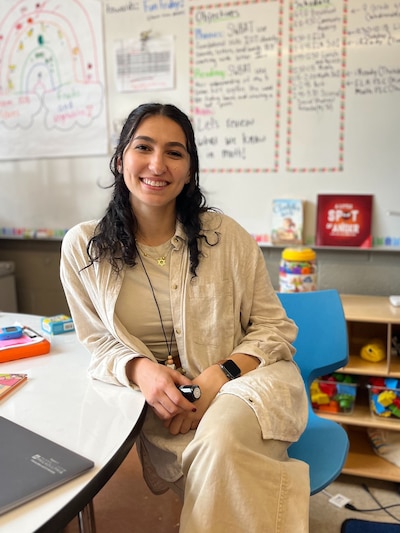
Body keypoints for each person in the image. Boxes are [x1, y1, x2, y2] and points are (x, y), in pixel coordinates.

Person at [60, 102, 310, 532]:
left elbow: (275, 329)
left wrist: (217, 376)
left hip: (246, 382)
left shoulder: (225, 236)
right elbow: (97, 342)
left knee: (221, 441)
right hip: (169, 405)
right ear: (121, 159)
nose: (158, 164)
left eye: (175, 152)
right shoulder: (84, 248)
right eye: (144, 147)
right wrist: (141, 371)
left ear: (190, 169)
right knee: (227, 472)